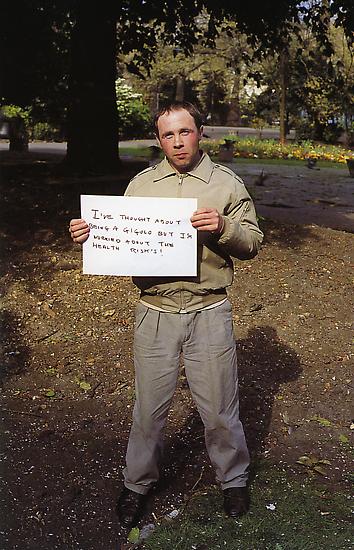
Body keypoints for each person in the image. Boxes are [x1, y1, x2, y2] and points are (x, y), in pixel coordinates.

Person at [69, 101, 263, 528]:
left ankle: (232, 479)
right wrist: (90, 234)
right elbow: (120, 239)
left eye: (185, 132)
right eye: (168, 134)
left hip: (208, 309)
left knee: (218, 408)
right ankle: (137, 483)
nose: (177, 142)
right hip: (155, 312)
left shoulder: (225, 184)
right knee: (149, 409)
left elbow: (251, 242)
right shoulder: (142, 185)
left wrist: (223, 228)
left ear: (199, 133)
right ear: (159, 139)